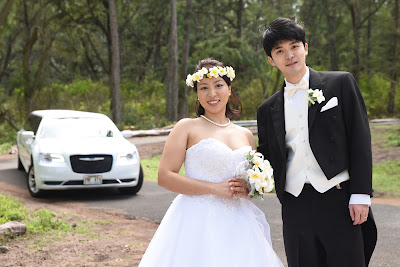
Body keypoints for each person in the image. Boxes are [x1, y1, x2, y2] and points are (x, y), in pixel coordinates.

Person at [139, 58, 283, 267]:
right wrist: (214, 188)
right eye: (204, 88)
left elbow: (251, 182)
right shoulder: (187, 127)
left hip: (240, 224)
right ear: (197, 93)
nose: (212, 94)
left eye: (218, 85)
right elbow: (165, 176)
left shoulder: (245, 135)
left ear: (229, 88)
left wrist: (248, 188)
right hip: (197, 222)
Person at [257, 17, 377, 267]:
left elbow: (360, 139)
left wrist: (361, 194)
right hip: (295, 205)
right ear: (271, 59)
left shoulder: (340, 83)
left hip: (339, 199)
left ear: (305, 48)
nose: (289, 55)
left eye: (294, 46)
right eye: (280, 51)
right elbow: (268, 156)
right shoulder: (267, 109)